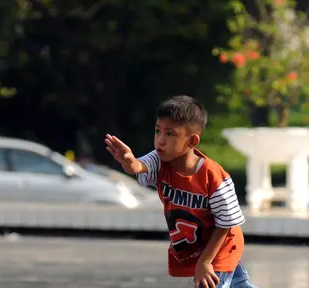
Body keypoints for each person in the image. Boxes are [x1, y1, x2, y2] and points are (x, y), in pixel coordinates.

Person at [105, 95, 257, 288]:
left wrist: (205, 262)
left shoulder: (214, 177)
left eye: (170, 134)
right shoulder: (160, 161)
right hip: (197, 247)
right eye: (157, 131)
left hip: (222, 247)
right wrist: (129, 161)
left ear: (192, 141)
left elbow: (226, 224)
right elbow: (139, 167)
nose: (160, 140)